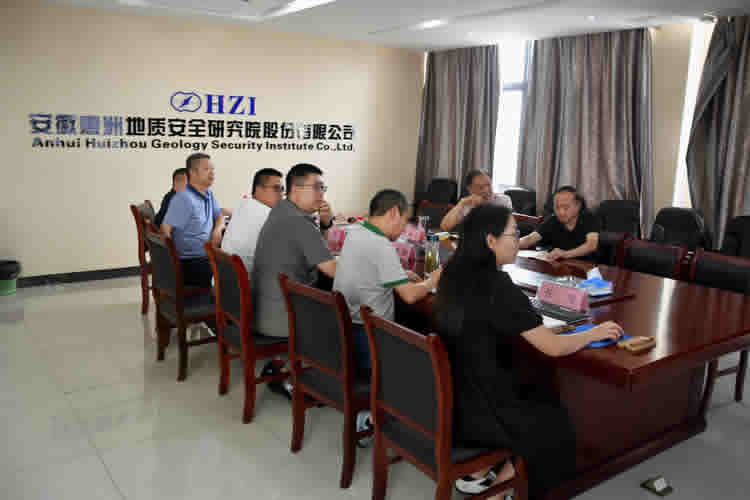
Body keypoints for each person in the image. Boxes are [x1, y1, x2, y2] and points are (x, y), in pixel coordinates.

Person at [434, 204, 623, 500]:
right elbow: (553, 347)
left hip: (454, 397)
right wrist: (594, 332)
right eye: (514, 234)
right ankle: (500, 490)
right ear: (490, 241)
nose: (518, 240)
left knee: (531, 386)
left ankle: (478, 473)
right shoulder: (497, 284)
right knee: (555, 421)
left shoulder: (451, 272)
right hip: (483, 411)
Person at [333, 189, 441, 378]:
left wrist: (401, 273)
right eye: (405, 220)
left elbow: (366, 269)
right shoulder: (381, 245)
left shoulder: (356, 231)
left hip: (345, 333)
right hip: (372, 341)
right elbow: (410, 295)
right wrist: (433, 280)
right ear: (394, 213)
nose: (404, 228)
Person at [253, 163, 337, 339]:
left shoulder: (282, 209)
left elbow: (317, 251)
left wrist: (325, 224)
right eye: (317, 187)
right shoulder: (298, 222)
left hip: (264, 312)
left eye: (323, 188)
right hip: (286, 320)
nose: (322, 193)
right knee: (350, 311)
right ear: (296, 189)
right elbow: (333, 270)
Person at [161, 153, 225, 288]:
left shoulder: (208, 193)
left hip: (208, 255)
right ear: (193, 172)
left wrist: (217, 230)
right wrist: (172, 264)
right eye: (206, 169)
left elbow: (219, 215)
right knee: (235, 275)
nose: (212, 173)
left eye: (212, 169)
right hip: (192, 262)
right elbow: (165, 229)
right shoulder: (183, 199)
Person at [221, 168, 284, 274]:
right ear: (259, 189)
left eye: (282, 189)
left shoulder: (244, 204)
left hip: (225, 280)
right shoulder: (269, 216)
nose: (281, 194)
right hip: (248, 282)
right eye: (277, 188)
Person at [518, 186, 600, 261]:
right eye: (557, 207)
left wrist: (565, 254)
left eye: (566, 207)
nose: (561, 212)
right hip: (559, 265)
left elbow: (591, 245)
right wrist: (511, 244)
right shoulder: (553, 220)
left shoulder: (588, 218)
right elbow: (530, 239)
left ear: (578, 206)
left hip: (585, 266)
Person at [439, 170, 513, 232]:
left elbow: (503, 227)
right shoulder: (467, 203)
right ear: (470, 189)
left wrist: (483, 206)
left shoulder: (504, 200)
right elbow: (445, 227)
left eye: (489, 185)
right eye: (480, 187)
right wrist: (461, 203)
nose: (486, 190)